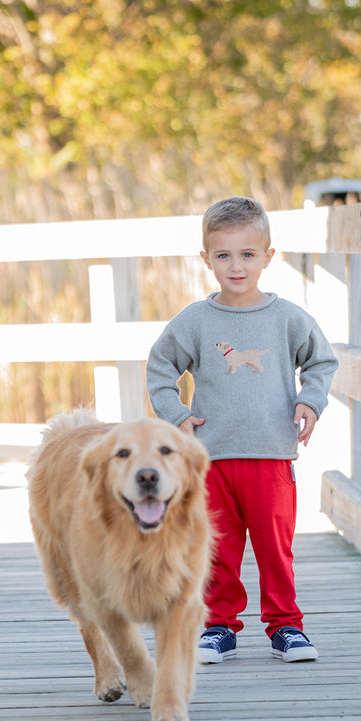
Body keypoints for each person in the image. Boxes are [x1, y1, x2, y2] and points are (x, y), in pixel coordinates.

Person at [145, 196, 338, 664]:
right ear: (206, 259)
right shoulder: (195, 321)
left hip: (271, 457)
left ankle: (286, 627)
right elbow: (160, 367)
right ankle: (218, 628)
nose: (236, 265)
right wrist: (177, 415)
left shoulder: (288, 318)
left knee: (275, 549)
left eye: (248, 254)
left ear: (268, 257)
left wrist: (309, 402)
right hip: (211, 459)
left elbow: (321, 361)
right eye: (224, 255)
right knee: (217, 549)